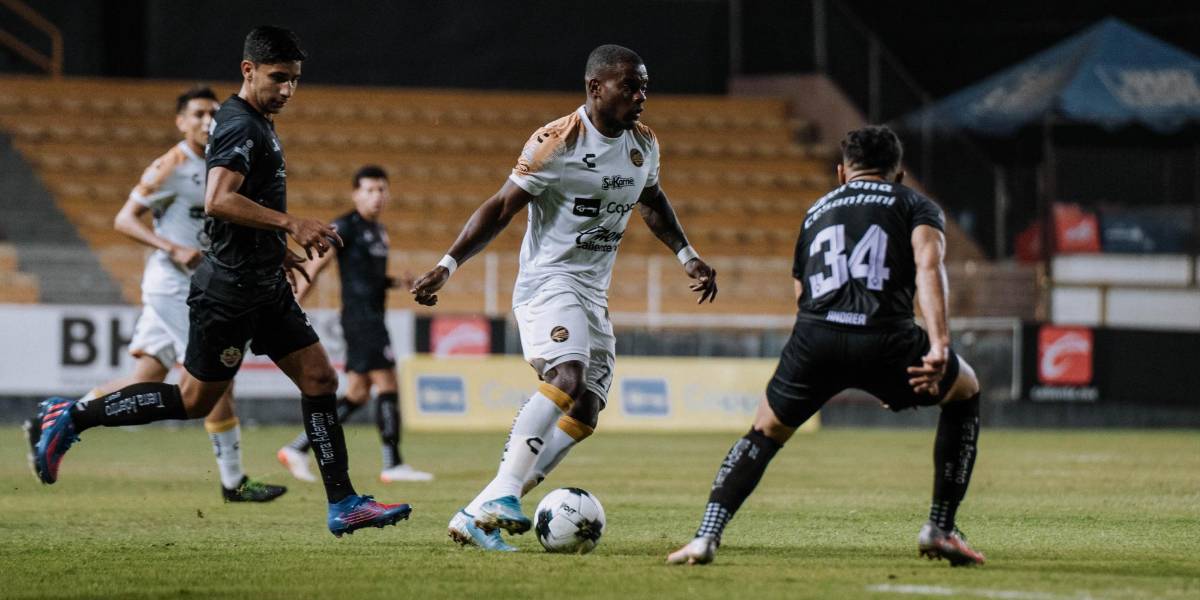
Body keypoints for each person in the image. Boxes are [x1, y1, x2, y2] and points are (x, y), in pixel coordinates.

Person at [31, 25, 411, 537]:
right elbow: (218, 199)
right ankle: (71, 417)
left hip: (264, 284)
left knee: (321, 379)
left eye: (295, 79)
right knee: (194, 401)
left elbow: (238, 209)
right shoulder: (238, 125)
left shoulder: (259, 122)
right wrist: (290, 224)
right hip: (229, 293)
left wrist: (275, 251)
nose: (288, 89)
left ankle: (343, 503)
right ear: (248, 70)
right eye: (278, 77)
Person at [410, 44, 718, 551]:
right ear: (596, 87)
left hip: (593, 293)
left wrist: (688, 255)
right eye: (630, 87)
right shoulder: (556, 142)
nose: (641, 97)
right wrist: (447, 265)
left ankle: (477, 512)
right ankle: (505, 493)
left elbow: (652, 200)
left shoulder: (644, 142)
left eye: (644, 87)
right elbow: (501, 207)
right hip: (548, 283)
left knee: (587, 409)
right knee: (566, 376)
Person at [667, 125, 985, 567]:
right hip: (887, 339)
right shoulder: (915, 204)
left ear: (841, 172)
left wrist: (821, 350)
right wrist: (939, 346)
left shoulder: (817, 210)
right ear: (898, 174)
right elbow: (929, 267)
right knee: (965, 390)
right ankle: (940, 527)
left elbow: (802, 292)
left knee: (764, 432)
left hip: (815, 338)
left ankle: (705, 536)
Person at [21, 86, 287, 503]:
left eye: (213, 113)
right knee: (215, 380)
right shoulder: (171, 166)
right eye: (197, 114)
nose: (207, 121)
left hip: (200, 282)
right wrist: (172, 247)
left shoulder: (222, 161)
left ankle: (56, 417)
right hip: (175, 286)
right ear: (180, 122)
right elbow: (124, 219)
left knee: (145, 379)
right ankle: (233, 482)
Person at [276, 165, 433, 484]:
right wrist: (292, 305)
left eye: (381, 190)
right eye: (370, 190)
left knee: (358, 394)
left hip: (371, 317)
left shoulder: (379, 231)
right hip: (361, 320)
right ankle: (393, 464)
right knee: (388, 384)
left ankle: (297, 448)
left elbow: (370, 278)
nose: (377, 196)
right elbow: (315, 267)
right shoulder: (345, 226)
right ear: (356, 195)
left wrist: (397, 283)